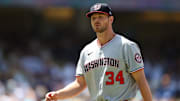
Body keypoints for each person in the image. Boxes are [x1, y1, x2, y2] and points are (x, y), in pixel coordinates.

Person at [45, 3, 152, 101]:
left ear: (111, 19)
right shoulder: (86, 51)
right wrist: (58, 95)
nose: (96, 21)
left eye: (101, 17)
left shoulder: (126, 46)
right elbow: (80, 84)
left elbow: (141, 81)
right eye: (93, 18)